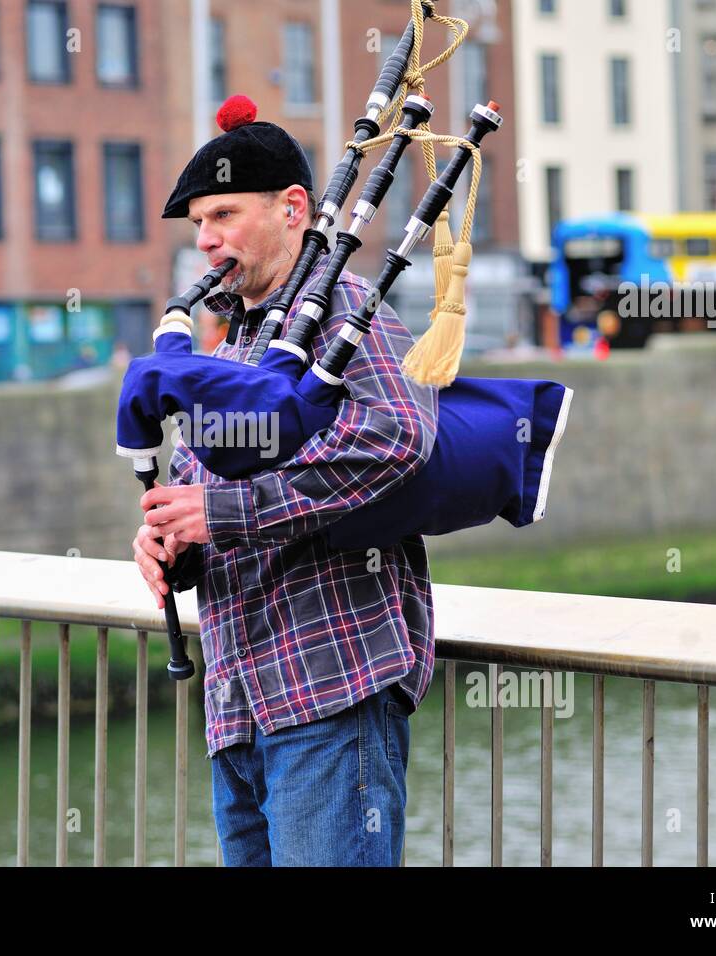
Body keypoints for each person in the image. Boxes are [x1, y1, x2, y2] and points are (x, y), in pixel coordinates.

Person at [131, 95, 437, 867]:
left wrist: (221, 510)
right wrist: (173, 542)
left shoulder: (343, 312)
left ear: (294, 208)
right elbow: (205, 502)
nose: (206, 242)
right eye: (199, 223)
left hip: (328, 693)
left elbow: (401, 435)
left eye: (224, 216)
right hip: (237, 707)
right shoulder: (228, 347)